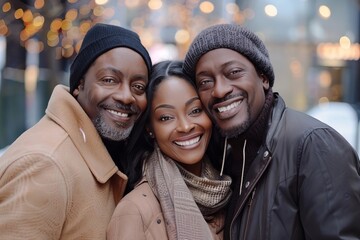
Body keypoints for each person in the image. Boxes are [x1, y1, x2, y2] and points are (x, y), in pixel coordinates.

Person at [183, 23, 360, 240]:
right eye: (205, 82)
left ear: (263, 77)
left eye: (234, 72)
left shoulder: (312, 144)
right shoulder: (224, 154)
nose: (219, 90)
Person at [0, 23, 152, 239]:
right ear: (79, 84)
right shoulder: (45, 163)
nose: (126, 96)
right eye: (109, 80)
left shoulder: (104, 151)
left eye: (138, 87)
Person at [107, 60, 232, 240]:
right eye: (166, 117)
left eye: (195, 110)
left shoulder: (231, 184)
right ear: (150, 128)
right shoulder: (134, 212)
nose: (185, 126)